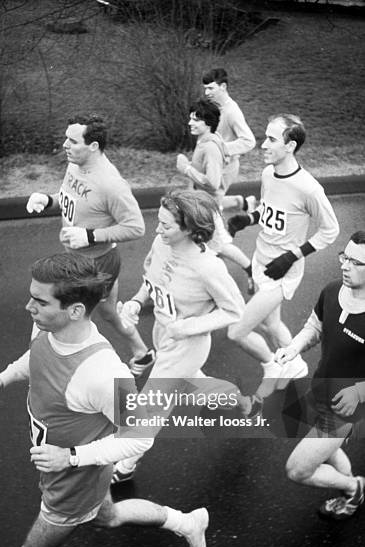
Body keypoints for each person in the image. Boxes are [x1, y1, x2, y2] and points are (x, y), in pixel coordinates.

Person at [0, 252, 209, 547]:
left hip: (72, 481)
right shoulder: (45, 327)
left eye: (39, 302)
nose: (29, 308)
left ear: (75, 310)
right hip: (69, 468)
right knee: (107, 516)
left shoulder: (104, 373)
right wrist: (1, 379)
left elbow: (139, 440)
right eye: (31, 298)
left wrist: (69, 457)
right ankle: (188, 522)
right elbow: (35, 357)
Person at [112, 189, 263, 483]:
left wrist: (186, 328)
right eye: (159, 222)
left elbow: (235, 311)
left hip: (187, 344)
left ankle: (125, 465)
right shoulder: (161, 242)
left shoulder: (208, 267)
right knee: (193, 383)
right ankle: (245, 405)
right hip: (163, 333)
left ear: (190, 229)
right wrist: (135, 303)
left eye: (166, 225)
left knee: (151, 404)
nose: (158, 229)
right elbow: (150, 281)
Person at [25, 113, 154, 377]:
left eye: (72, 141)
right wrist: (46, 200)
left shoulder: (111, 184)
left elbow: (136, 227)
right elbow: (67, 198)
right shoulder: (74, 165)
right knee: (109, 314)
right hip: (77, 258)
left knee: (63, 314)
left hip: (97, 264)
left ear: (93, 146)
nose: (65, 145)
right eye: (66, 138)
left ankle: (69, 372)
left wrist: (90, 236)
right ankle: (143, 353)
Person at [227, 113, 340, 398]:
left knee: (237, 333)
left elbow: (330, 231)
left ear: (290, 146)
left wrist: (292, 256)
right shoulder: (268, 174)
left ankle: (276, 367)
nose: (263, 144)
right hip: (260, 261)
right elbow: (269, 211)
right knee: (273, 324)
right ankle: (297, 366)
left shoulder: (309, 188)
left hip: (282, 274)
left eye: (271, 139)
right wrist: (249, 219)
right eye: (265, 137)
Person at [277, 232, 365, 520]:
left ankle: (354, 487)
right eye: (345, 257)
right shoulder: (331, 291)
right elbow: (314, 328)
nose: (345, 265)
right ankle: (349, 489)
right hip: (320, 388)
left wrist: (358, 393)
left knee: (298, 469)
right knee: (326, 450)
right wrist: (294, 347)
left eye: (356, 262)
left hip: (345, 408)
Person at [176, 98, 255, 294]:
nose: (190, 123)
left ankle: (250, 273)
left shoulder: (209, 146)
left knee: (219, 246)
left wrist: (186, 169)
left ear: (208, 123)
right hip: (201, 204)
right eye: (190, 119)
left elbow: (213, 181)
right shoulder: (206, 140)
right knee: (209, 245)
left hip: (208, 207)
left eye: (195, 120)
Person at [202, 67, 257, 212]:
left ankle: (219, 234)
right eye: (205, 89)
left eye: (210, 88)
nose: (207, 93)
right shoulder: (214, 107)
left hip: (226, 167)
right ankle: (243, 203)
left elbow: (249, 141)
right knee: (203, 200)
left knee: (209, 206)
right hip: (212, 164)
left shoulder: (232, 111)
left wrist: (222, 149)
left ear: (223, 86)